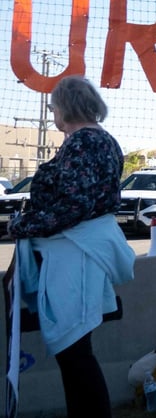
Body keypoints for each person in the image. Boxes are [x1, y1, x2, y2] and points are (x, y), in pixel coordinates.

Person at [6, 75, 135, 418]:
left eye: (54, 108)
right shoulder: (101, 141)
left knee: (74, 351)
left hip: (75, 253)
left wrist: (22, 225)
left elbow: (74, 205)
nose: (52, 114)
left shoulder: (83, 143)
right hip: (78, 252)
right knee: (75, 351)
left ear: (66, 107)